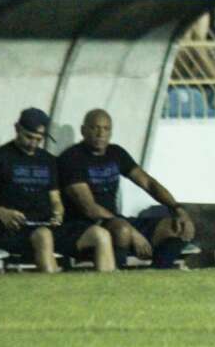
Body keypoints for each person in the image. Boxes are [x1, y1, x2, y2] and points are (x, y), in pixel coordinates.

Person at [0, 108, 117, 273]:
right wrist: (3, 213)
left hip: (47, 225)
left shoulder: (47, 160)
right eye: (29, 137)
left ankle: (109, 289)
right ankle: (54, 290)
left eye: (38, 139)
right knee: (43, 236)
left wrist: (58, 211)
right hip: (13, 230)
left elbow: (55, 198)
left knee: (100, 235)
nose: (33, 143)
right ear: (17, 129)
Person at [57, 109, 195, 270]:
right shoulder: (71, 158)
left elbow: (148, 183)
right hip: (84, 226)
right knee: (122, 229)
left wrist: (178, 209)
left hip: (115, 220)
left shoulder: (116, 153)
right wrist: (131, 230)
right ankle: (118, 279)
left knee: (177, 227)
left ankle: (157, 273)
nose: (101, 133)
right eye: (95, 128)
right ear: (83, 130)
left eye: (106, 129)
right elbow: (89, 208)